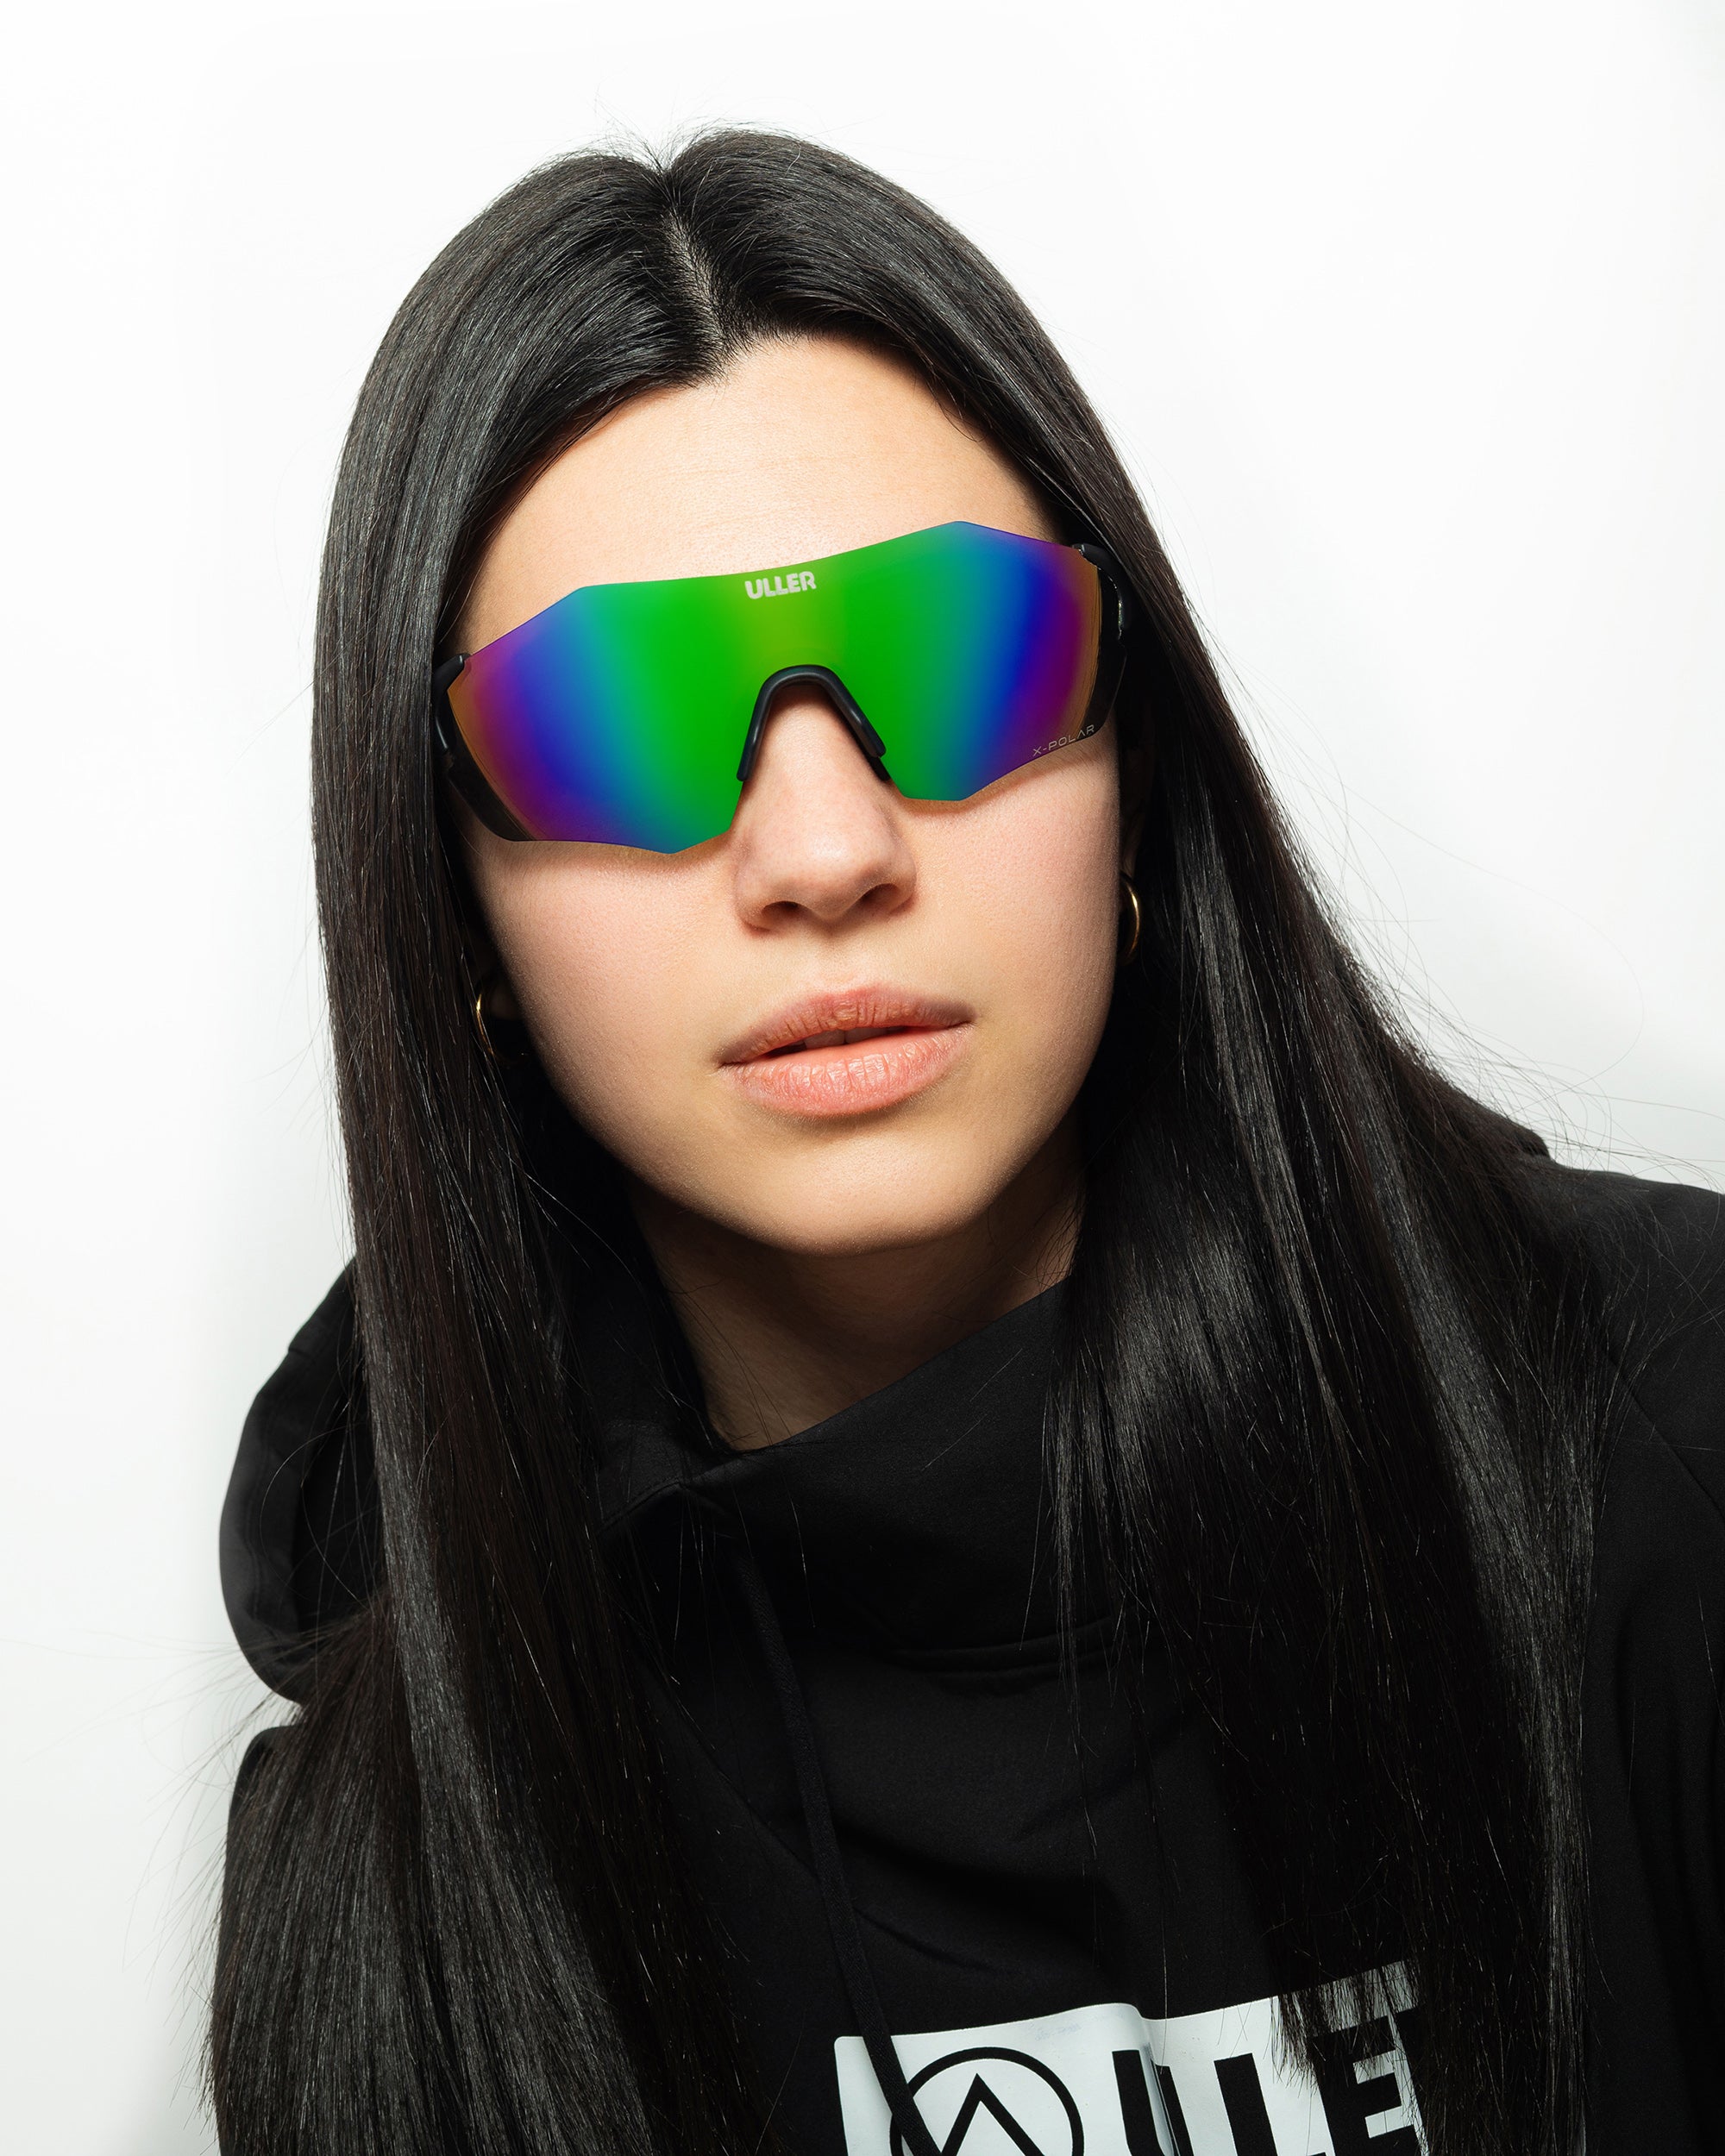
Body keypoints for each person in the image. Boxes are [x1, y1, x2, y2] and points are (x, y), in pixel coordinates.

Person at [213, 131, 1724, 2156]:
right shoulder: (394, 1881)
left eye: (952, 654)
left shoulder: (1670, 1457)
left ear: (1130, 764)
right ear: (457, 909)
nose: (827, 849)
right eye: (624, 718)